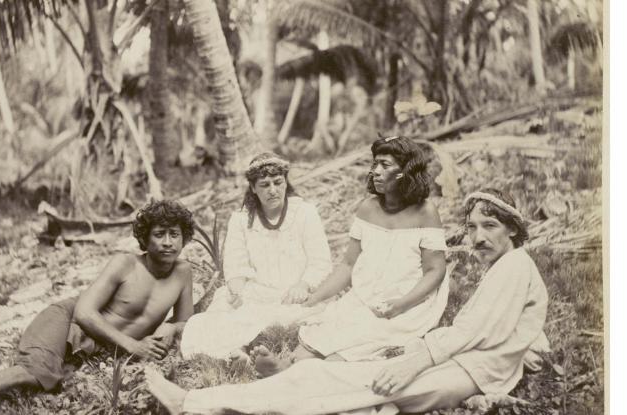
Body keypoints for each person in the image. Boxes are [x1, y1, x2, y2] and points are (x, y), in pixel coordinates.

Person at [145, 188, 549, 415]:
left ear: (514, 230)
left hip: (460, 372)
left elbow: (472, 330)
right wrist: (523, 352)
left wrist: (417, 359)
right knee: (344, 391)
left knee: (327, 382)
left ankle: (195, 404)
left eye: (490, 226)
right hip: (466, 369)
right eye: (473, 227)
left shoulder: (514, 265)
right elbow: (513, 326)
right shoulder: (513, 268)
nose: (478, 237)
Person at [0, 200, 197, 415]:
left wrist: (172, 328)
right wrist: (132, 346)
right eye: (159, 234)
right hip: (67, 320)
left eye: (174, 234)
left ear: (183, 238)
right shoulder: (126, 264)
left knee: (43, 387)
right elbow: (84, 313)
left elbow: (186, 321)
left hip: (94, 345)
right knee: (31, 374)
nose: (167, 242)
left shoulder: (183, 273)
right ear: (145, 238)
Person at [252, 135, 448, 375]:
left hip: (407, 299)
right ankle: (288, 366)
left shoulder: (425, 212)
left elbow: (435, 270)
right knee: (330, 326)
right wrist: (314, 299)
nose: (375, 171)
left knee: (360, 340)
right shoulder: (369, 208)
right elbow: (348, 265)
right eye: (374, 164)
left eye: (384, 165)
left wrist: (400, 304)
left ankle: (299, 374)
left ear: (405, 171)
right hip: (368, 294)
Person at [179, 152, 333, 359]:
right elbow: (235, 264)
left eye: (278, 182)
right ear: (253, 188)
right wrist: (237, 292)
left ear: (286, 183)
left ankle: (244, 345)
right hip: (257, 293)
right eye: (264, 185)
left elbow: (320, 261)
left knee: (302, 315)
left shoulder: (305, 213)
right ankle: (234, 352)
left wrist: (303, 285)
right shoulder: (241, 220)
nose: (272, 190)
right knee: (221, 311)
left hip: (295, 294)